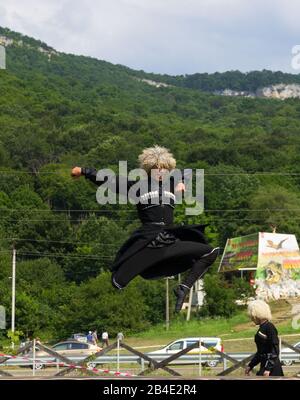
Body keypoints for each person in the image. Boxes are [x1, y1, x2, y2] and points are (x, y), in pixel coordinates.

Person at [71, 145, 219, 312]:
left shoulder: (171, 183)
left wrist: (181, 183)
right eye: (157, 168)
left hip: (170, 239)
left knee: (210, 251)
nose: (161, 172)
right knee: (118, 282)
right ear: (149, 169)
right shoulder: (137, 186)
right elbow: (109, 179)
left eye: (164, 169)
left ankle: (183, 288)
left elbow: (190, 171)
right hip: (149, 241)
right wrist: (84, 171)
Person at [245, 300, 284, 377]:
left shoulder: (269, 327)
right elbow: (260, 352)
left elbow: (275, 349)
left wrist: (268, 368)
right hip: (265, 366)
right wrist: (250, 365)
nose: (252, 318)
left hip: (272, 368)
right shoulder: (262, 328)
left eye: (252, 316)